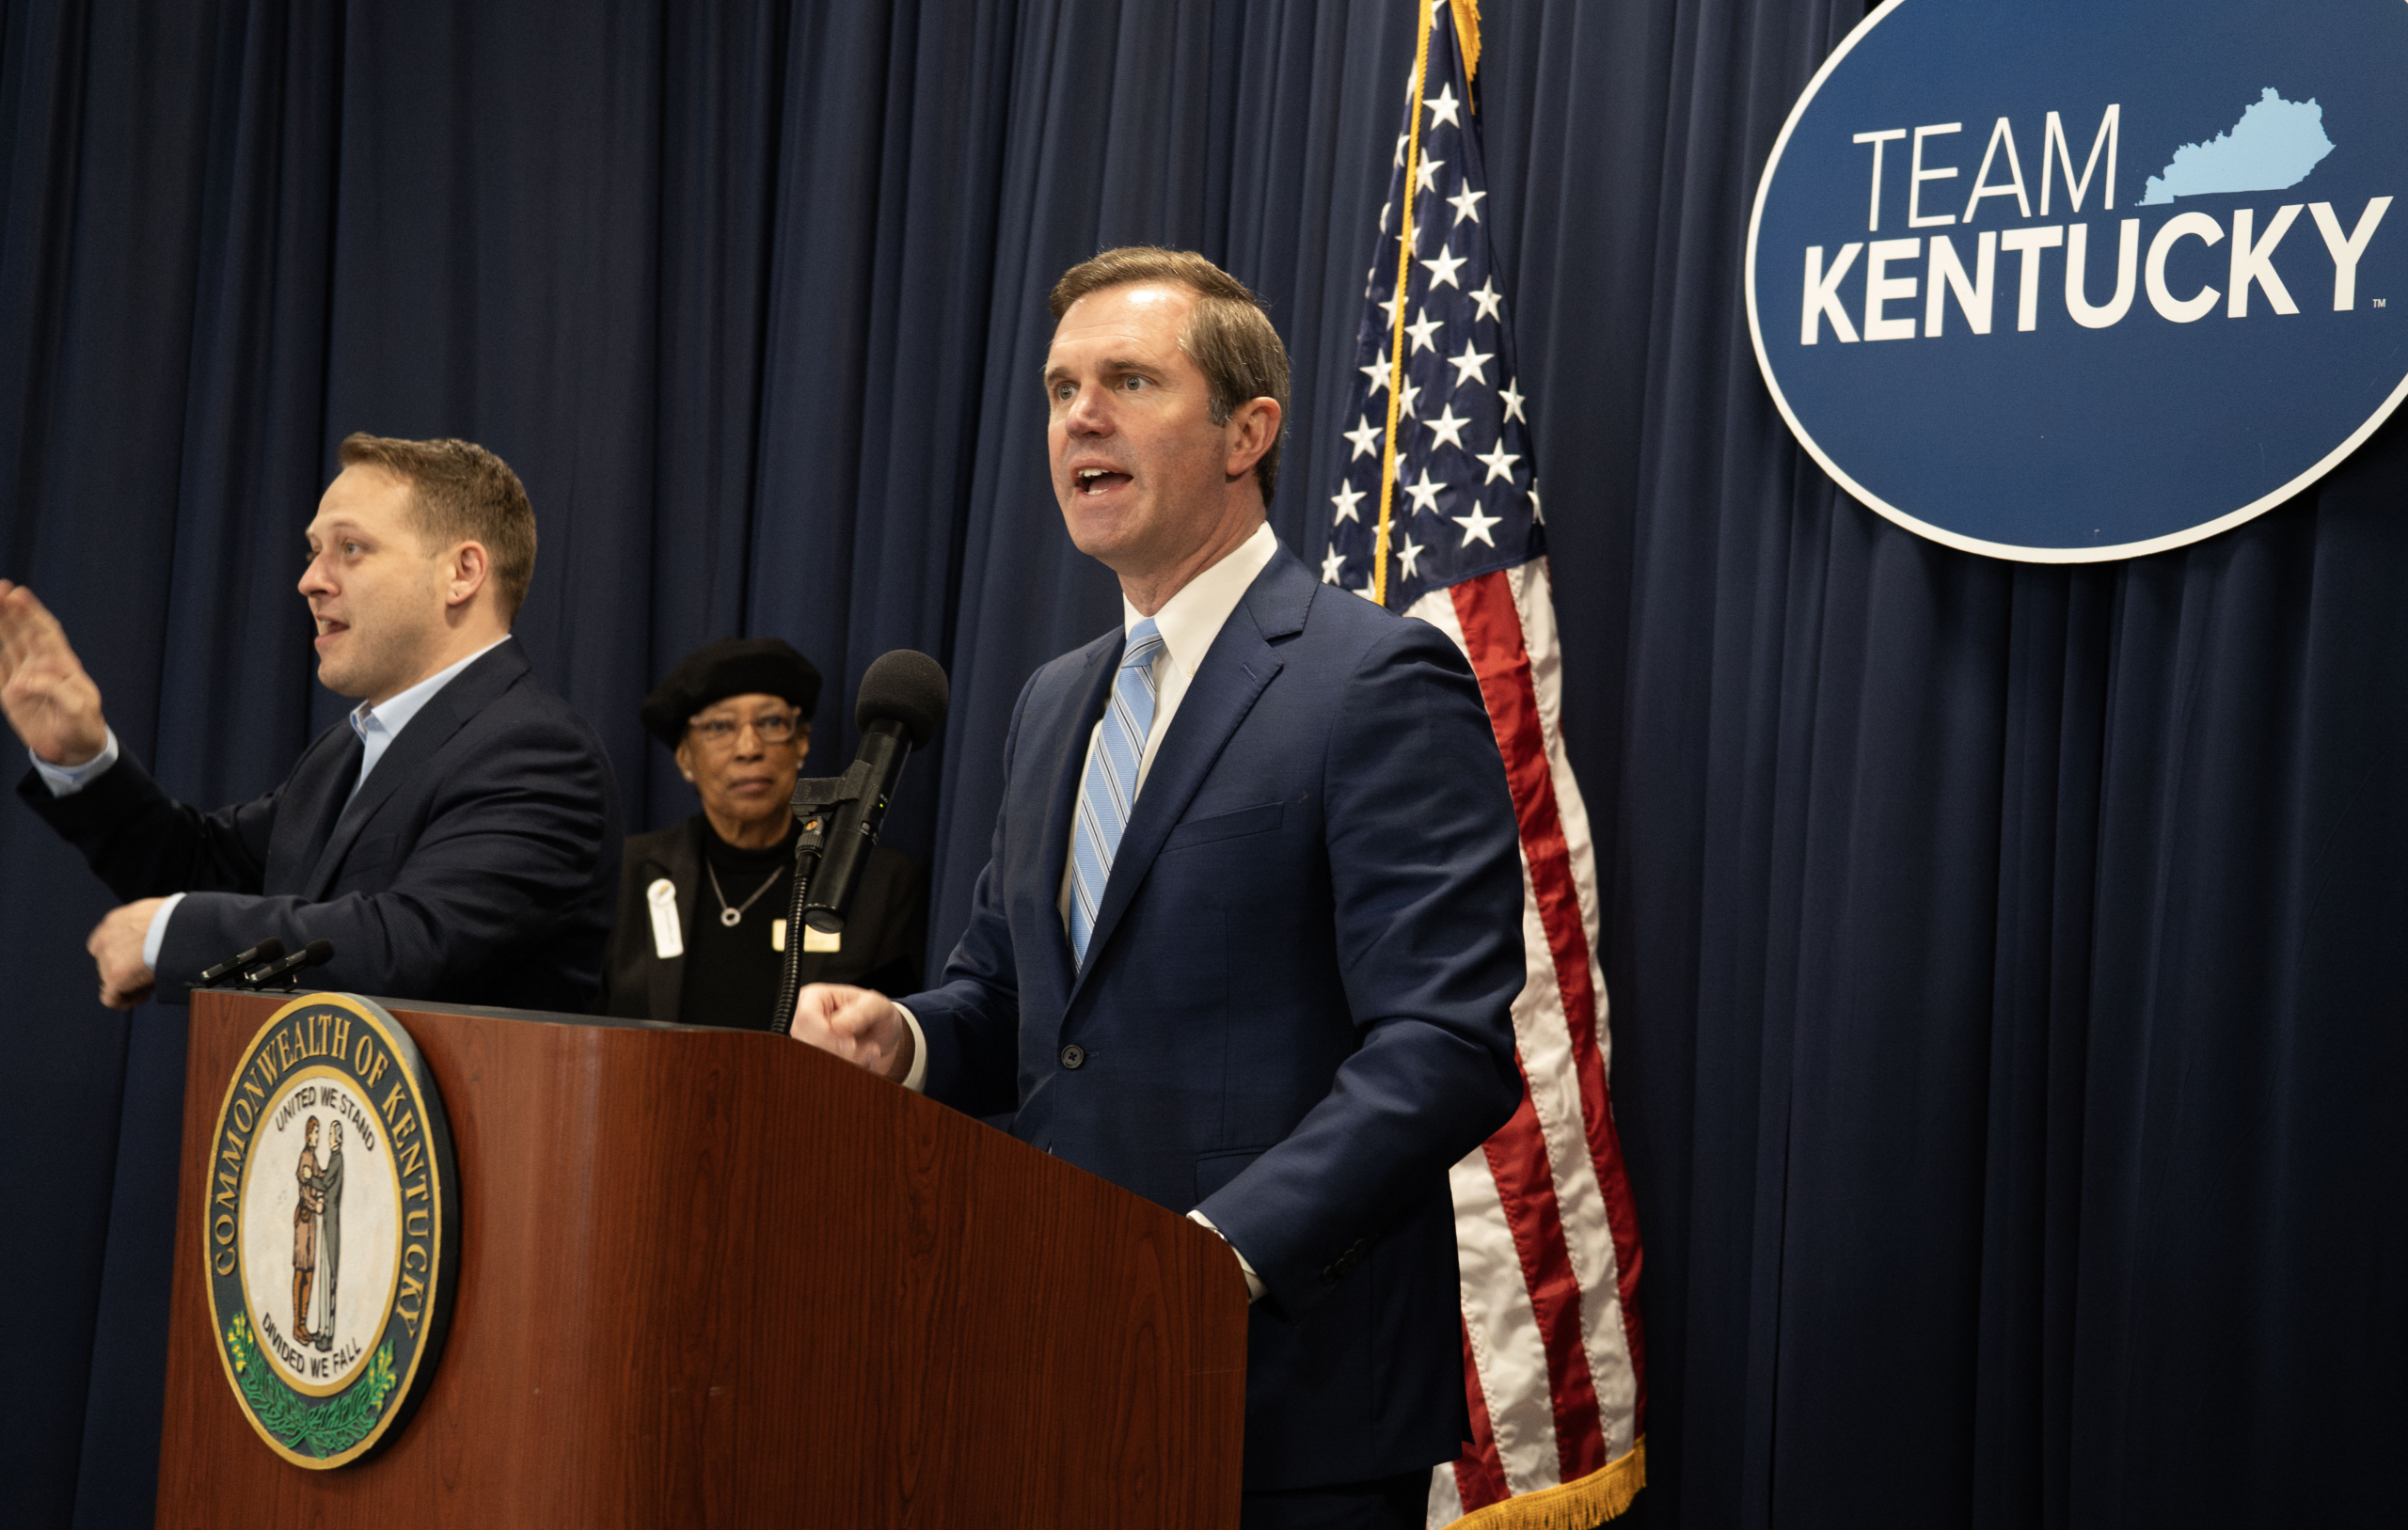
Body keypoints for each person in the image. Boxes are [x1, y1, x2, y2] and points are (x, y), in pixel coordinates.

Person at [789, 248, 1527, 1528]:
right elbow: (1012, 1000)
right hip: (1048, 1364)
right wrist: (903, 1037)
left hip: (1283, 1402)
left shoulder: (1374, 680)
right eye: (1062, 386)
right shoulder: (1053, 699)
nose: (1080, 414)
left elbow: (1445, 1045)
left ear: (1250, 430)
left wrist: (1214, 1252)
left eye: (1130, 379)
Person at [1, 434, 620, 1012]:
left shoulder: (536, 750)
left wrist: (172, 932)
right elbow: (202, 868)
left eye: (350, 548)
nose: (309, 581)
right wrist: (80, 758)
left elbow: (408, 944)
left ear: (461, 573)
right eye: (314, 551)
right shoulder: (342, 754)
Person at [602, 637, 927, 1028]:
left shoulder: (878, 882)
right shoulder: (627, 873)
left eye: (771, 723)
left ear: (801, 741)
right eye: (720, 726)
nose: (749, 748)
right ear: (685, 758)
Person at [293, 1117, 324, 1348]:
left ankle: (303, 1324)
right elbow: (305, 1191)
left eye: (318, 1133)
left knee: (310, 1272)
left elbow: (320, 1177)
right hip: (304, 1219)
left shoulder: (313, 1158)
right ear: (308, 1134)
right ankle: (297, 1324)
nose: (317, 1137)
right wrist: (316, 1204)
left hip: (311, 1222)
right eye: (315, 1133)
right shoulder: (305, 1156)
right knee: (302, 1271)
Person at [317, 1119, 345, 1353]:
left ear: (336, 1138)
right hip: (326, 1219)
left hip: (330, 1224)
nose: (328, 1138)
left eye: (330, 1135)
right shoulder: (334, 1160)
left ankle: (328, 1335)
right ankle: (323, 1329)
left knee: (329, 1279)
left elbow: (325, 1184)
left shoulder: (337, 1160)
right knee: (324, 1278)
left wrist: (309, 1176)